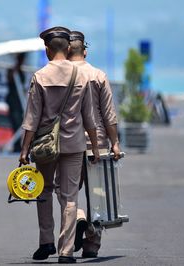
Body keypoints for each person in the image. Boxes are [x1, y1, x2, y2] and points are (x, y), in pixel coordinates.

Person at [19, 26, 100, 264]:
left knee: (43, 190)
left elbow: (31, 119)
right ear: (67, 48)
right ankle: (66, 251)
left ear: (47, 50)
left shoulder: (40, 76)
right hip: (74, 144)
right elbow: (89, 118)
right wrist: (94, 147)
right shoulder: (82, 76)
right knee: (70, 195)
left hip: (45, 146)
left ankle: (46, 241)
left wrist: (24, 149)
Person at [68, 30, 121, 258]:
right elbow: (108, 114)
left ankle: (78, 216)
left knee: (67, 192)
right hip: (96, 142)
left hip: (68, 141)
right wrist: (115, 143)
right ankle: (91, 245)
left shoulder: (62, 75)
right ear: (85, 51)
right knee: (97, 193)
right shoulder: (98, 75)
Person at [6, 52, 26, 152]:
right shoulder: (12, 70)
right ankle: (16, 147)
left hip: (19, 102)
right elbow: (10, 79)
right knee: (16, 122)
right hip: (13, 102)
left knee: (20, 124)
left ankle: (19, 145)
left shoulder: (21, 71)